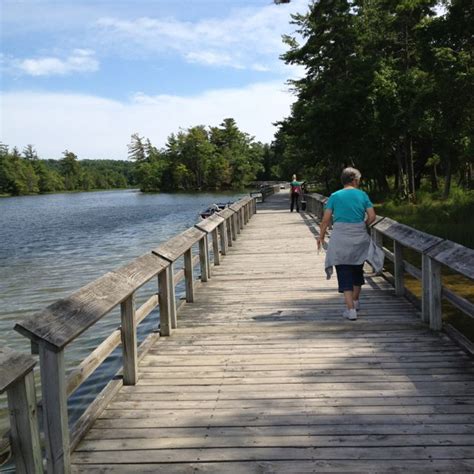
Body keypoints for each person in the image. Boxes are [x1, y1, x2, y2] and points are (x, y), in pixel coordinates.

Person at [317, 167, 376, 321]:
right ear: (355, 180)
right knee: (357, 269)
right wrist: (363, 226)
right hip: (359, 237)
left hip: (341, 237)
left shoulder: (335, 196)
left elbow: (325, 219)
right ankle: (355, 302)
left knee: (343, 270)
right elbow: (372, 216)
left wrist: (321, 237)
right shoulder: (362, 195)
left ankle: (350, 310)